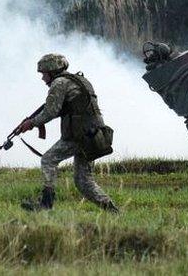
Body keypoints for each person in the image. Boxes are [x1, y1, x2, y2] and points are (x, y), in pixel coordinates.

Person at [17, 53, 118, 212]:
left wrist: (31, 123)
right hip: (93, 135)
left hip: (78, 136)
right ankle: (112, 211)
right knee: (83, 181)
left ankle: (46, 204)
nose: (43, 78)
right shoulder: (79, 80)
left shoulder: (59, 83)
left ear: (52, 70)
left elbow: (50, 111)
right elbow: (67, 108)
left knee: (48, 160)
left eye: (44, 73)